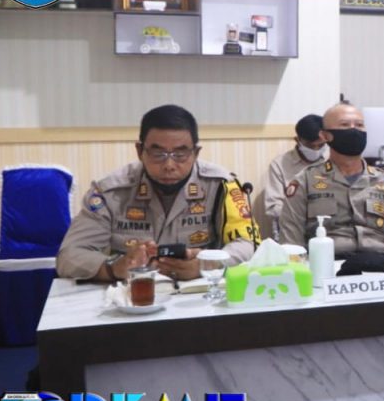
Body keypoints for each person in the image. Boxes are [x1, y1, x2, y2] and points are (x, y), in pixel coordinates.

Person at [56, 105, 260, 282]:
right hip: (132, 296)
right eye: (158, 153)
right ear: (140, 151)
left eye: (180, 154)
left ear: (195, 153)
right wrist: (114, 267)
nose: (169, 165)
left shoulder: (221, 185)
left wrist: (207, 265)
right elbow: (69, 256)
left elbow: (249, 244)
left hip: (200, 295)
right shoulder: (110, 192)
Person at [277, 102, 384, 256]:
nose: (354, 130)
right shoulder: (304, 182)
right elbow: (291, 246)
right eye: (344, 125)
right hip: (326, 264)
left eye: (359, 125)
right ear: (325, 136)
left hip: (379, 263)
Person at [264, 114, 328, 238]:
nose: (316, 150)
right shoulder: (279, 165)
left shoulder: (333, 160)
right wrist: (304, 213)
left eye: (321, 145)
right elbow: (272, 207)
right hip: (293, 227)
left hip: (330, 227)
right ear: (297, 140)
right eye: (310, 146)